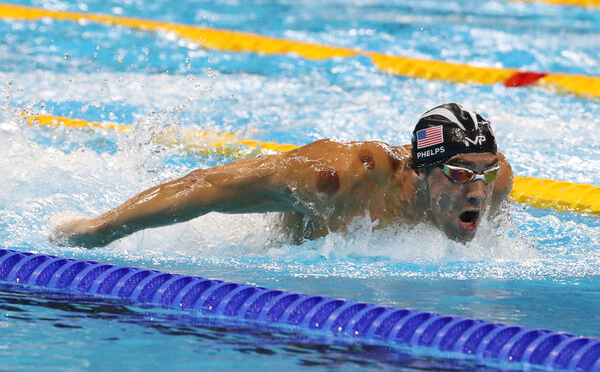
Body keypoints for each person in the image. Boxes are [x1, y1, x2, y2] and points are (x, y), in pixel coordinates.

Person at [50, 103, 513, 248]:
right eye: (457, 172)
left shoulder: (497, 182)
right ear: (422, 168)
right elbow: (209, 186)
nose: (477, 189)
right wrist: (100, 229)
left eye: (484, 171)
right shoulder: (342, 177)